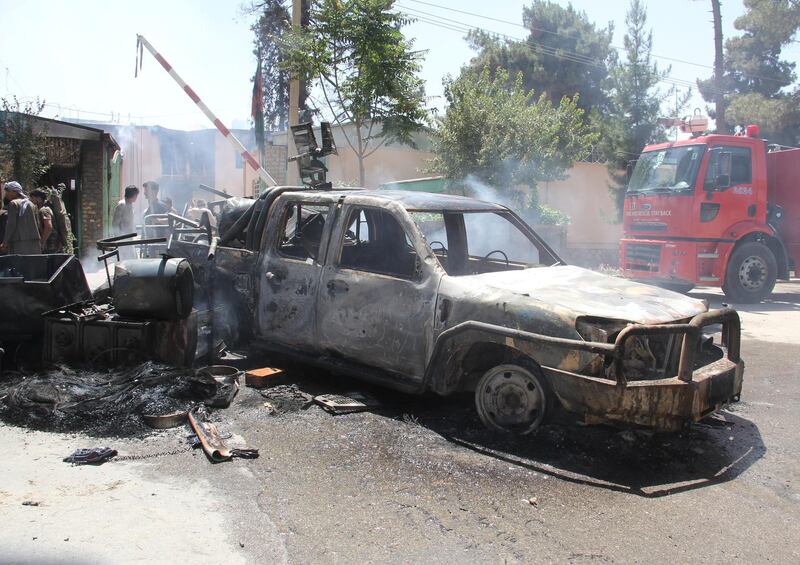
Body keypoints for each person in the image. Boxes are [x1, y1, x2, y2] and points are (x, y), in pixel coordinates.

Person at [1, 181, 41, 255]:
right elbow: (38, 224)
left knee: (19, 265)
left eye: (8, 191)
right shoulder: (32, 204)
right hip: (34, 241)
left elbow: (11, 224)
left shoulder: (13, 203)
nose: (6, 193)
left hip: (19, 242)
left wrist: (5, 242)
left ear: (15, 192)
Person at [112, 185, 139, 260]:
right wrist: (118, 238)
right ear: (133, 195)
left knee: (132, 259)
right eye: (136, 195)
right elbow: (115, 224)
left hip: (129, 237)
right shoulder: (121, 205)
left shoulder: (130, 205)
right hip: (122, 238)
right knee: (123, 260)